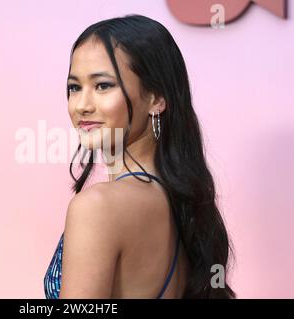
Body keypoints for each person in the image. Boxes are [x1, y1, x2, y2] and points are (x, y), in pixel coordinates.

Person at [44, 14, 235, 299]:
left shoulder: (98, 207)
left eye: (103, 85)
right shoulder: (181, 204)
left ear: (156, 98)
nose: (81, 105)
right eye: (74, 87)